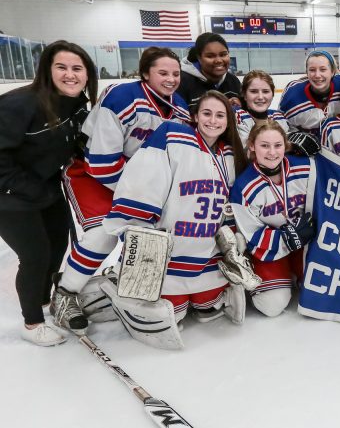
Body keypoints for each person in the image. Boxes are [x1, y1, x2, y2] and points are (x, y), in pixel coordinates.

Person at [54, 47, 190, 333]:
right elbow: (101, 163)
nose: (171, 79)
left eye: (175, 73)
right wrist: (142, 194)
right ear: (145, 73)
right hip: (92, 174)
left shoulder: (179, 107)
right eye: (162, 73)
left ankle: (133, 285)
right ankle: (65, 294)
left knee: (154, 232)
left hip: (139, 182)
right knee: (103, 234)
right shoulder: (122, 98)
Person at [103, 91, 247, 325]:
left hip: (208, 247)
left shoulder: (231, 154)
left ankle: (202, 294)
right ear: (195, 116)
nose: (213, 120)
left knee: (206, 304)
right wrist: (142, 225)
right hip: (172, 246)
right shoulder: (174, 137)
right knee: (174, 312)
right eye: (207, 113)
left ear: (228, 121)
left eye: (220, 115)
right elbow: (146, 177)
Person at [0, 41, 97, 346]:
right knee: (35, 255)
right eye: (62, 67)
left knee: (56, 247)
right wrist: (28, 188)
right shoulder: (19, 105)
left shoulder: (77, 103)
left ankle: (43, 300)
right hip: (9, 195)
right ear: (47, 70)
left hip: (46, 188)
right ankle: (31, 323)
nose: (70, 74)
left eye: (77, 68)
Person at [229, 121, 314, 317]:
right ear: (252, 146)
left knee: (322, 291)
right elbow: (249, 232)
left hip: (307, 243)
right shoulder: (244, 186)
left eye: (277, 145)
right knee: (271, 306)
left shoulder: (306, 168)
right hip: (273, 249)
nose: (272, 152)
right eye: (264, 145)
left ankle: (294, 273)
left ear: (285, 145)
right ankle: (283, 274)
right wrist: (285, 238)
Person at [279, 50, 340, 134]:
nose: (317, 75)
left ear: (332, 72)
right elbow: (281, 127)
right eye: (312, 70)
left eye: (323, 69)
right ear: (307, 72)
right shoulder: (292, 95)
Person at [177, 33, 242, 110]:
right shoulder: (182, 82)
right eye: (210, 56)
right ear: (199, 58)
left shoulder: (233, 81)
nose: (218, 60)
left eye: (223, 55)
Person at [235, 70, 289, 146]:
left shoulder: (277, 117)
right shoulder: (238, 117)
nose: (260, 97)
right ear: (244, 94)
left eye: (265, 91)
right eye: (254, 91)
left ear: (272, 94)